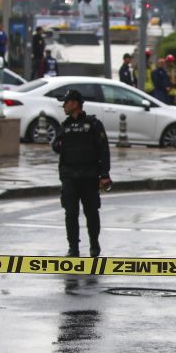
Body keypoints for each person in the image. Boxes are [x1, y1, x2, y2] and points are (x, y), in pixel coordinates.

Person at [51, 89, 112, 258]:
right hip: (69, 177)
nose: (63, 105)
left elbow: (103, 150)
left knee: (91, 212)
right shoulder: (65, 125)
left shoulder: (93, 124)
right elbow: (56, 146)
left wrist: (104, 174)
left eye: (66, 102)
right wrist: (58, 143)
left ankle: (94, 244)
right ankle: (73, 248)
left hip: (89, 176)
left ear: (75, 103)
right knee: (70, 213)